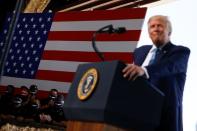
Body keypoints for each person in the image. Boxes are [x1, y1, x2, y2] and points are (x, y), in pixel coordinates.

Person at [122, 15, 190, 131]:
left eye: (160, 26)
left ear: (169, 31)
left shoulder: (180, 52)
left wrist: (144, 70)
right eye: (152, 26)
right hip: (136, 114)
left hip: (164, 119)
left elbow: (168, 66)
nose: (156, 29)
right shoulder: (139, 52)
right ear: (149, 33)